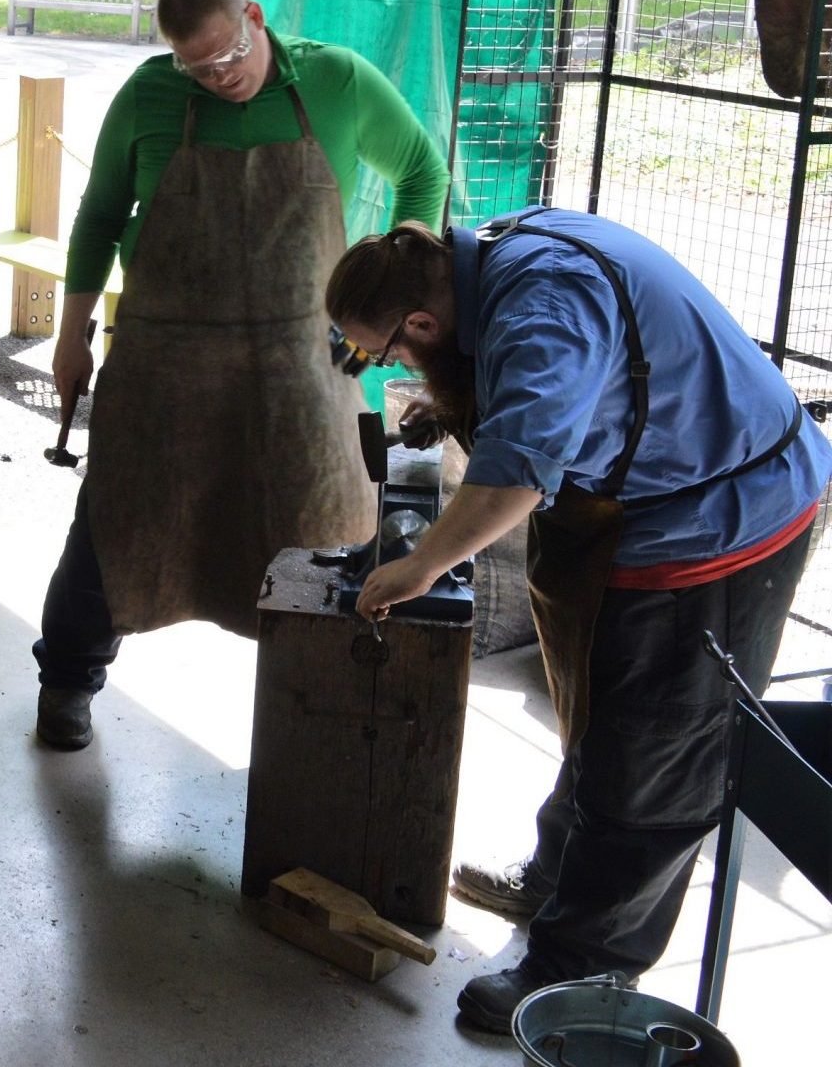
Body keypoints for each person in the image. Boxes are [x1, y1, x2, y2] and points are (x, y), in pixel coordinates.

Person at [326, 211, 828, 1033]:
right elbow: (537, 389)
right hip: (641, 502)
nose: (392, 365)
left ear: (420, 322)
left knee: (657, 760)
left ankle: (580, 972)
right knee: (603, 722)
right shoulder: (486, 258)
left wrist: (419, 566)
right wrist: (451, 408)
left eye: (388, 353)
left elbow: (517, 476)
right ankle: (555, 880)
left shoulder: (545, 304)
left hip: (724, 524)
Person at [35, 0, 448, 750]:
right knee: (113, 528)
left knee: (324, 533)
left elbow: (424, 171)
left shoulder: (337, 80)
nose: (220, 77)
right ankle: (67, 681)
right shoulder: (150, 97)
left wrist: (387, 299)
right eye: (199, 68)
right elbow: (98, 215)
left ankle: (328, 707)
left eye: (229, 56)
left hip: (303, 367)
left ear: (255, 18)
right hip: (166, 363)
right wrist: (72, 331)